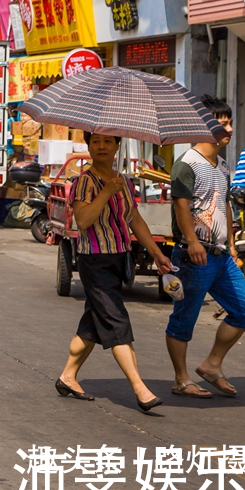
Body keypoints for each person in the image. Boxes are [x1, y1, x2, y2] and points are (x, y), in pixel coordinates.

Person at [55, 132, 173, 413]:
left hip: (118, 259)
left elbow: (134, 219)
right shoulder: (84, 181)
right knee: (117, 323)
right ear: (89, 146)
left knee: (93, 324)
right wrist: (106, 191)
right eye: (96, 141)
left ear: (118, 146)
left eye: (108, 141)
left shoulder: (124, 182)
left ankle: (67, 377)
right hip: (94, 261)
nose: (102, 146)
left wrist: (157, 254)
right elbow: (83, 220)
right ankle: (140, 389)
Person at [165, 95, 245, 398]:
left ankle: (212, 365)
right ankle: (181, 378)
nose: (229, 128)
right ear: (203, 125)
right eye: (222, 122)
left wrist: (231, 242)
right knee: (184, 319)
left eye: (230, 122)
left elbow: (225, 205)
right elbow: (181, 207)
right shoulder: (187, 164)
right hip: (195, 256)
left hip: (221, 256)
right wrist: (191, 241)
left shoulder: (222, 165)